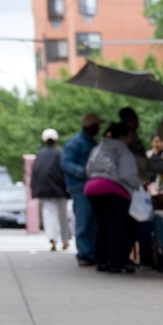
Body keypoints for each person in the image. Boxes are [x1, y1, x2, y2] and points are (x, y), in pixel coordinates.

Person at [83, 122, 141, 274]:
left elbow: (88, 169)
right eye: (129, 136)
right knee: (118, 227)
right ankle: (116, 263)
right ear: (122, 136)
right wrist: (138, 184)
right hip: (113, 189)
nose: (131, 139)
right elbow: (127, 175)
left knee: (102, 226)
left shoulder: (97, 148)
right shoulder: (123, 150)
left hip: (91, 188)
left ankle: (101, 261)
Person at [62, 112, 102, 266]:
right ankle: (84, 253)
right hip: (80, 187)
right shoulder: (76, 143)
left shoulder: (91, 143)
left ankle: (90, 252)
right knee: (84, 221)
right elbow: (66, 163)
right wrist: (83, 172)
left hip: (90, 186)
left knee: (93, 222)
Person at [33, 128, 71, 252]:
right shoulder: (60, 154)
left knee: (49, 214)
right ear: (56, 140)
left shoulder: (40, 155)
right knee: (62, 216)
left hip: (45, 191)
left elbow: (35, 174)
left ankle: (52, 238)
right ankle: (65, 240)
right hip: (60, 190)